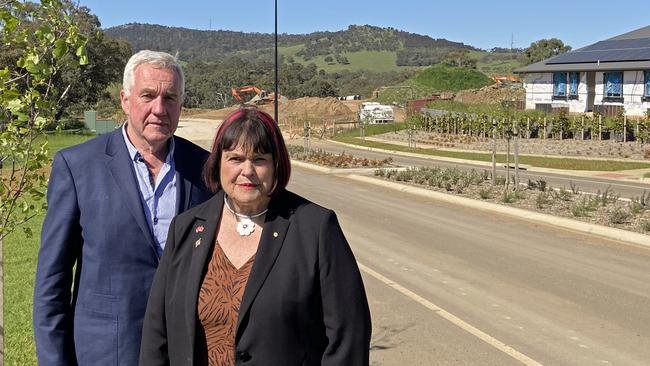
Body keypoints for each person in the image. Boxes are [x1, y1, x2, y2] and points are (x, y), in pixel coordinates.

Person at [139, 107, 371, 365]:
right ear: (218, 163)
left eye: (259, 159)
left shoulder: (315, 229)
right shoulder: (186, 228)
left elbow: (348, 336)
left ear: (276, 165)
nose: (247, 170)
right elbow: (156, 332)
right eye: (235, 158)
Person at [33, 50, 213, 366]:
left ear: (181, 106)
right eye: (148, 95)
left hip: (186, 351)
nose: (160, 108)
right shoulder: (77, 167)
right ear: (125, 100)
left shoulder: (204, 169)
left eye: (170, 98)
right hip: (105, 352)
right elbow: (52, 283)